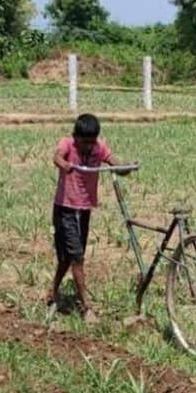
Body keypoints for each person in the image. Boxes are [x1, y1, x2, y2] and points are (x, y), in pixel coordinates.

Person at [47, 113, 134, 324]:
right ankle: (87, 307)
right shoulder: (67, 144)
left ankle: (52, 292)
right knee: (75, 257)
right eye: (84, 142)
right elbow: (57, 156)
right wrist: (64, 165)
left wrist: (127, 167)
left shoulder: (99, 146)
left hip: (84, 209)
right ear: (75, 137)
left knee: (71, 258)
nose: (88, 147)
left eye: (91, 142)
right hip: (65, 209)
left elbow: (114, 163)